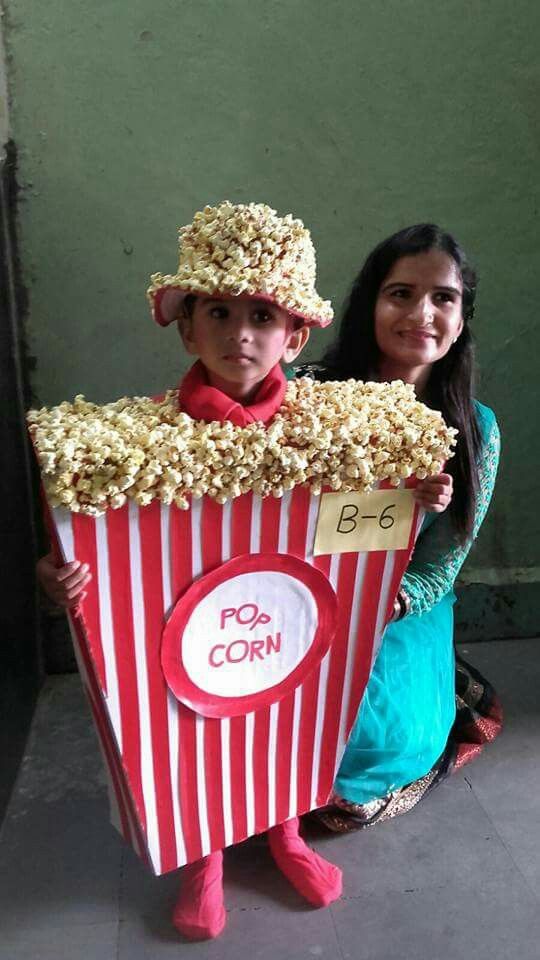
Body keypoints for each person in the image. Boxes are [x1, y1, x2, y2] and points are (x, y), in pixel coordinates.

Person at [35, 203, 453, 939]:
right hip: (192, 629)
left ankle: (287, 834)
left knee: (296, 697)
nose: (240, 334)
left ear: (294, 336)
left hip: (285, 613)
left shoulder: (331, 435)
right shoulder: (138, 446)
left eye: (263, 315)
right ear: (186, 326)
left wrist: (413, 501)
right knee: (189, 716)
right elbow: (98, 548)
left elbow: (360, 540)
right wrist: (66, 573)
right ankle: (204, 860)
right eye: (219, 313)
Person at [297, 223, 502, 831]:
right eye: (401, 293)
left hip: (396, 604)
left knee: (377, 745)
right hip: (302, 588)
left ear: (462, 318)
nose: (422, 313)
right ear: (370, 306)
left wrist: (390, 598)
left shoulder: (475, 428)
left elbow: (443, 563)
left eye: (443, 297)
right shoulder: (308, 395)